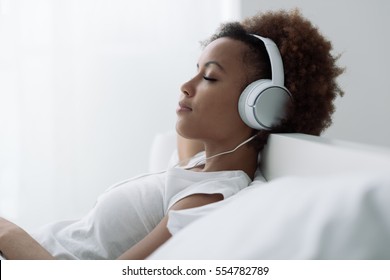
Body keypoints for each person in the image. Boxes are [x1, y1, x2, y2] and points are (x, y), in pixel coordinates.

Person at [0, 9, 344, 260]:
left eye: (209, 77)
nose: (186, 85)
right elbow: (186, 139)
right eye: (195, 71)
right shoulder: (202, 165)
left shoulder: (207, 198)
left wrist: (8, 233)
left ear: (260, 107)